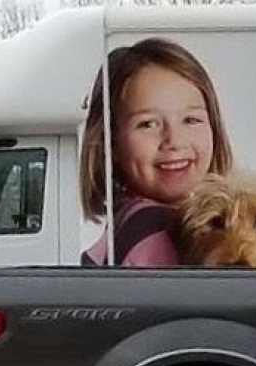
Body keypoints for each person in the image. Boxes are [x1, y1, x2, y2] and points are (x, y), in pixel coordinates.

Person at [80, 38, 233, 267]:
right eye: (148, 124)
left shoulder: (129, 220)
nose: (174, 141)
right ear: (109, 142)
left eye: (191, 120)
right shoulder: (160, 235)